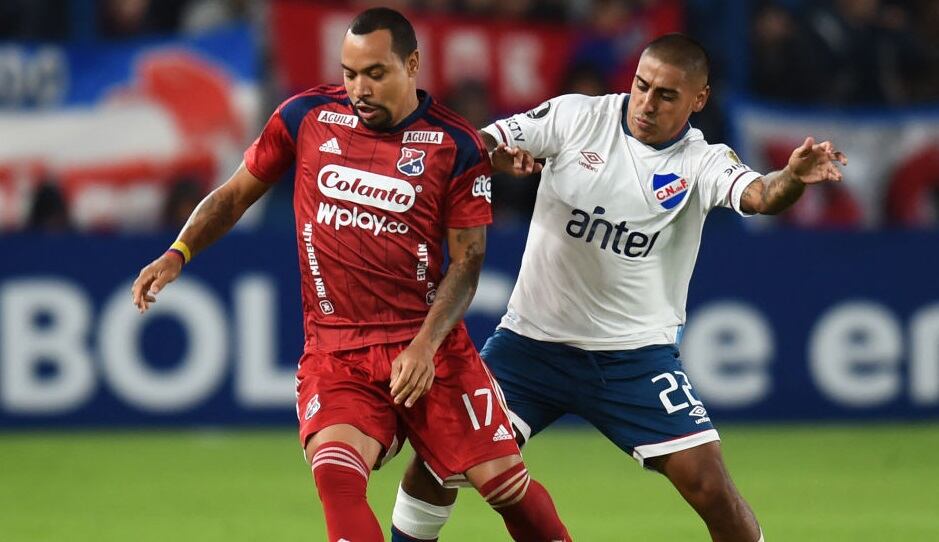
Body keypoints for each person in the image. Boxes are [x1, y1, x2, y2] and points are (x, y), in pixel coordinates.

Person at [130, 7, 571, 542]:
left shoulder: (455, 146)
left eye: (375, 73)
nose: (360, 88)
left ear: (412, 64)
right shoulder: (305, 117)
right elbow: (233, 196)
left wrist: (426, 346)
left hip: (430, 347)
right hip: (338, 351)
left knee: (504, 486)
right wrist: (178, 253)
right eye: (350, 72)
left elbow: (468, 264)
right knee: (336, 473)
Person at [389, 33, 847, 542]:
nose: (647, 104)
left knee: (709, 486)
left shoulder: (702, 160)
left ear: (699, 99)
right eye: (642, 85)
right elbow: (481, 142)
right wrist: (493, 155)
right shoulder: (576, 117)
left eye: (666, 95)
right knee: (435, 466)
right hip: (531, 347)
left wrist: (791, 177)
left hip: (634, 357)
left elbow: (761, 195)